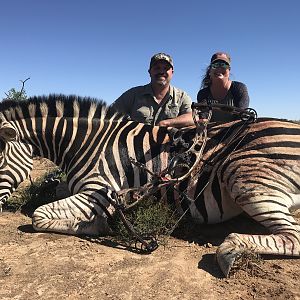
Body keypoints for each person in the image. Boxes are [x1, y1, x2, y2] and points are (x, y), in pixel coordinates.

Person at [111, 52, 194, 128]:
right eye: (157, 68)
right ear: (149, 72)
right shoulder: (133, 94)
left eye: (166, 68)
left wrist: (167, 123)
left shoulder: (181, 96)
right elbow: (110, 113)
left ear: (172, 73)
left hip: (169, 143)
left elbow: (192, 117)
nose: (161, 71)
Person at [197, 52, 250, 122]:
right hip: (211, 131)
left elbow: (241, 116)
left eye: (224, 65)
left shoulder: (239, 88)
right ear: (210, 70)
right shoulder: (203, 93)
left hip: (235, 131)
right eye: (215, 65)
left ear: (229, 70)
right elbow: (204, 116)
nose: (219, 68)